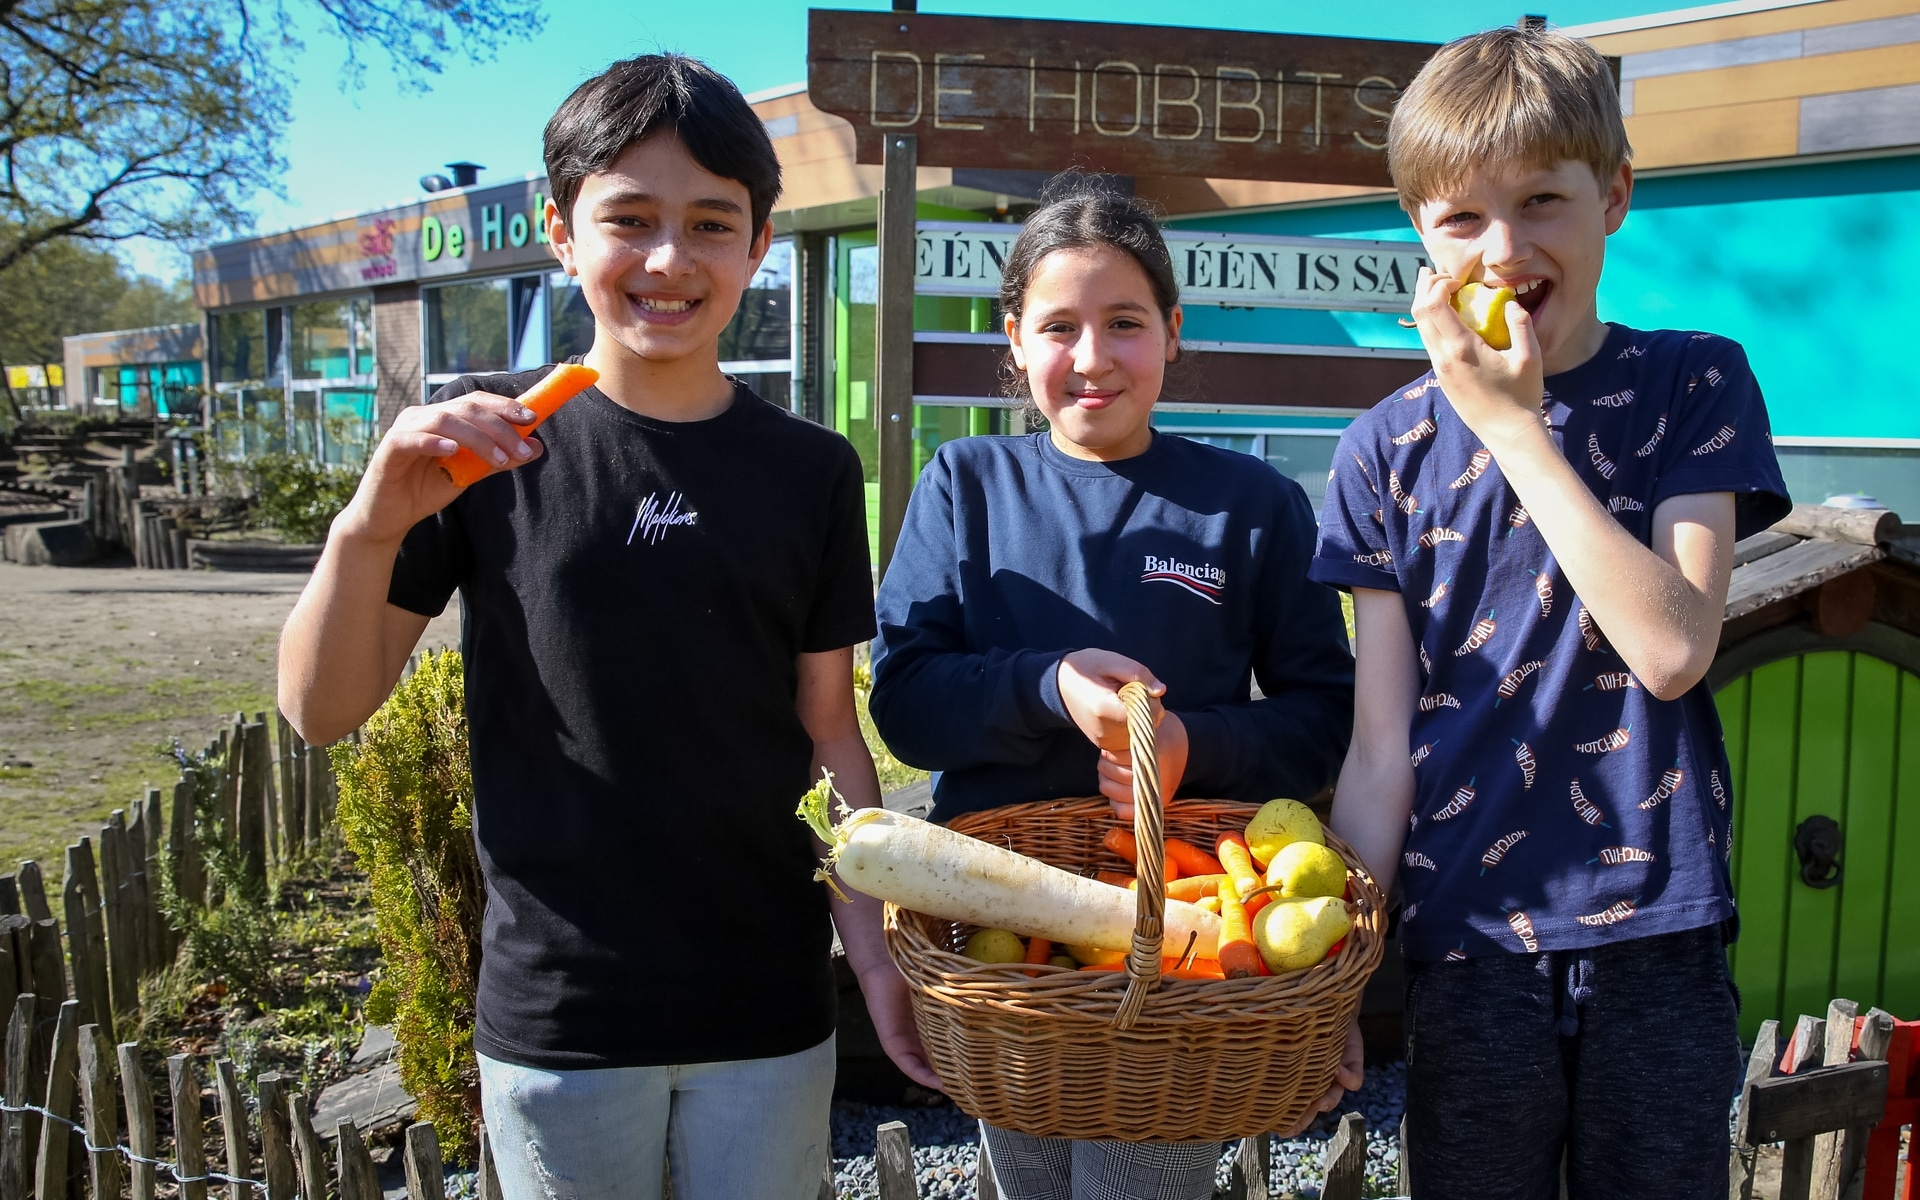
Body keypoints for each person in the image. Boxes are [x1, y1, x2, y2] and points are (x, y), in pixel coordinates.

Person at [277, 54, 936, 1200]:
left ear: (760, 244)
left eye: (711, 223)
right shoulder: (483, 451)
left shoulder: (812, 472)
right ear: (561, 234)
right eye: (628, 218)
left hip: (765, 1007)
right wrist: (369, 523)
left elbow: (830, 729)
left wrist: (870, 955)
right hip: (560, 1014)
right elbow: (321, 709)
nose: (670, 260)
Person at [1310, 25, 1791, 1200]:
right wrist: (1335, 978)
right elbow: (1380, 752)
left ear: (1614, 195)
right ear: (1418, 237)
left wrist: (1515, 427)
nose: (1505, 248)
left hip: (1657, 933)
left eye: (1542, 200)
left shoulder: (1693, 380)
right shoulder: (1385, 446)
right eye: (1461, 218)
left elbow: (1673, 647)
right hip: (1468, 940)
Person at [869, 182, 1357, 1200]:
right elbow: (906, 705)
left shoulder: (1252, 506)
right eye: (1059, 326)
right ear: (1014, 339)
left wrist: (1192, 749)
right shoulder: (965, 484)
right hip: (999, 938)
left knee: (1141, 1180)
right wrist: (1047, 685)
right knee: (1029, 1180)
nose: (1091, 357)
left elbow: (1324, 723)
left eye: (1124, 323)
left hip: (1182, 940)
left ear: (1174, 333)